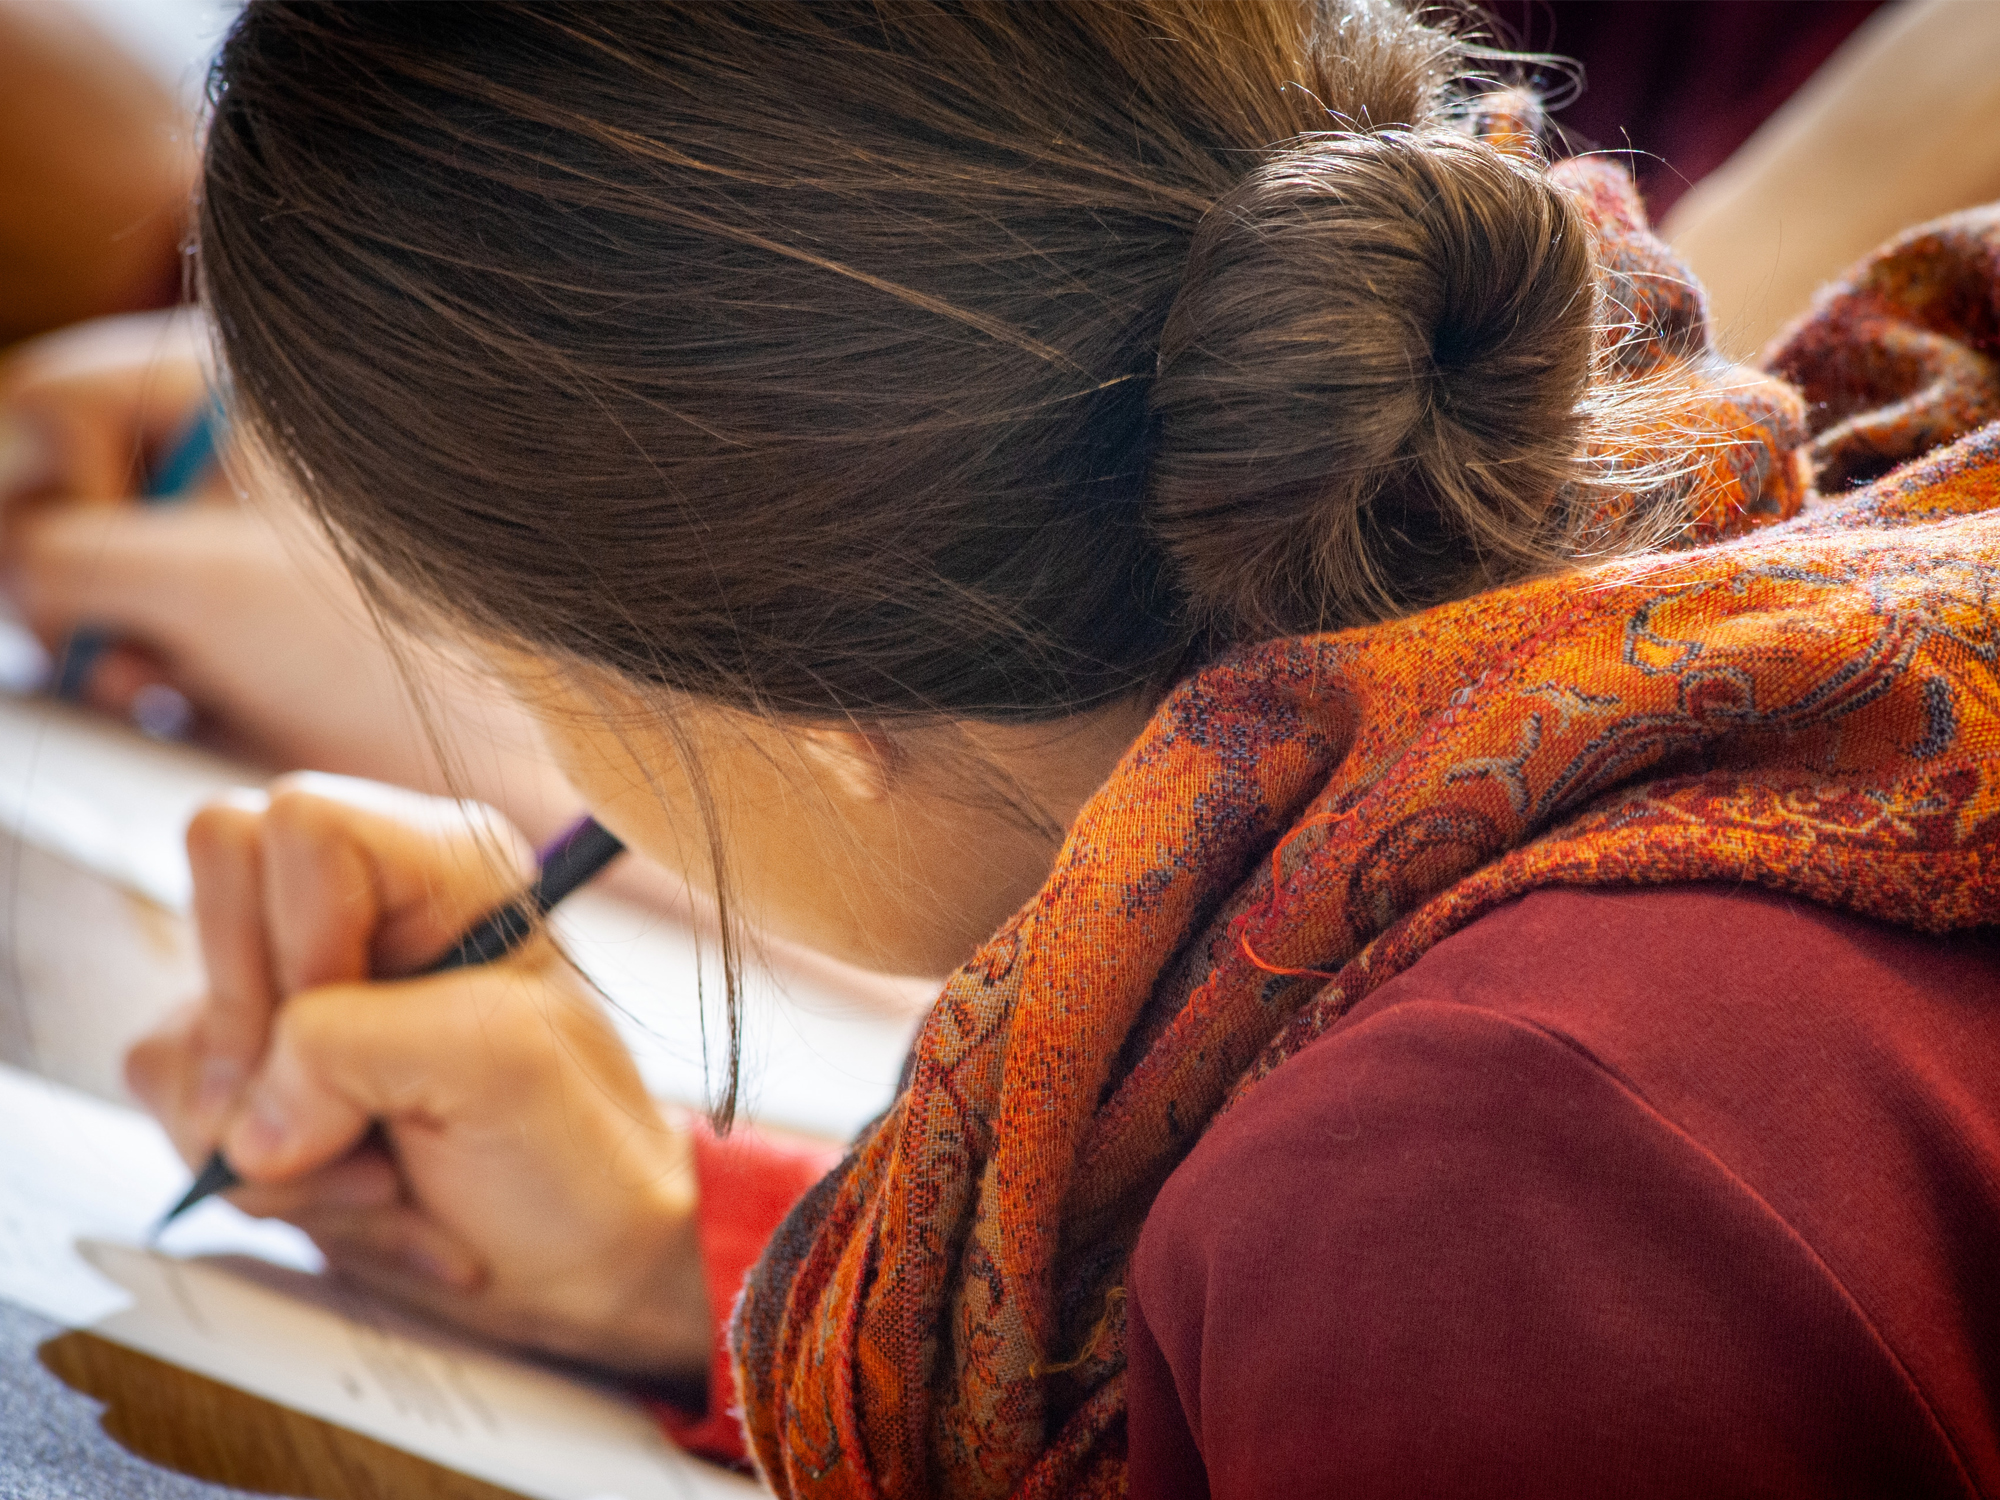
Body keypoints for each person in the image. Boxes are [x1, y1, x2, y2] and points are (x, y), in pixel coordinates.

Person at [120, 2, 2000, 1496]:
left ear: (815, 715)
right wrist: (682, 1257)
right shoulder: (1697, 662)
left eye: (521, 677)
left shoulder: (1474, 1190)